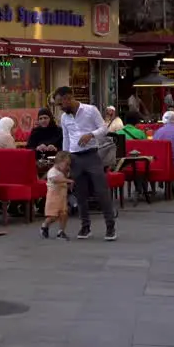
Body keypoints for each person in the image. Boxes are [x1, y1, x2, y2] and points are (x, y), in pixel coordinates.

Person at [53, 86, 117, 241]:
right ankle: (85, 226)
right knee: (79, 193)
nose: (60, 108)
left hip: (91, 155)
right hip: (74, 158)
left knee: (101, 191)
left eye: (61, 104)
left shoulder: (90, 110)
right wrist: (64, 161)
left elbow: (103, 128)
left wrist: (91, 135)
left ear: (68, 98)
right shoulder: (64, 118)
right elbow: (66, 139)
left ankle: (110, 227)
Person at [39, 151, 73, 240]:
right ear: (59, 162)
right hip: (53, 197)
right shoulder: (52, 171)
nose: (67, 167)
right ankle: (45, 225)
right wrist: (68, 181)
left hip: (62, 196)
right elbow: (55, 180)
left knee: (64, 214)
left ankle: (61, 231)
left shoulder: (63, 172)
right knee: (53, 216)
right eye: (66, 164)